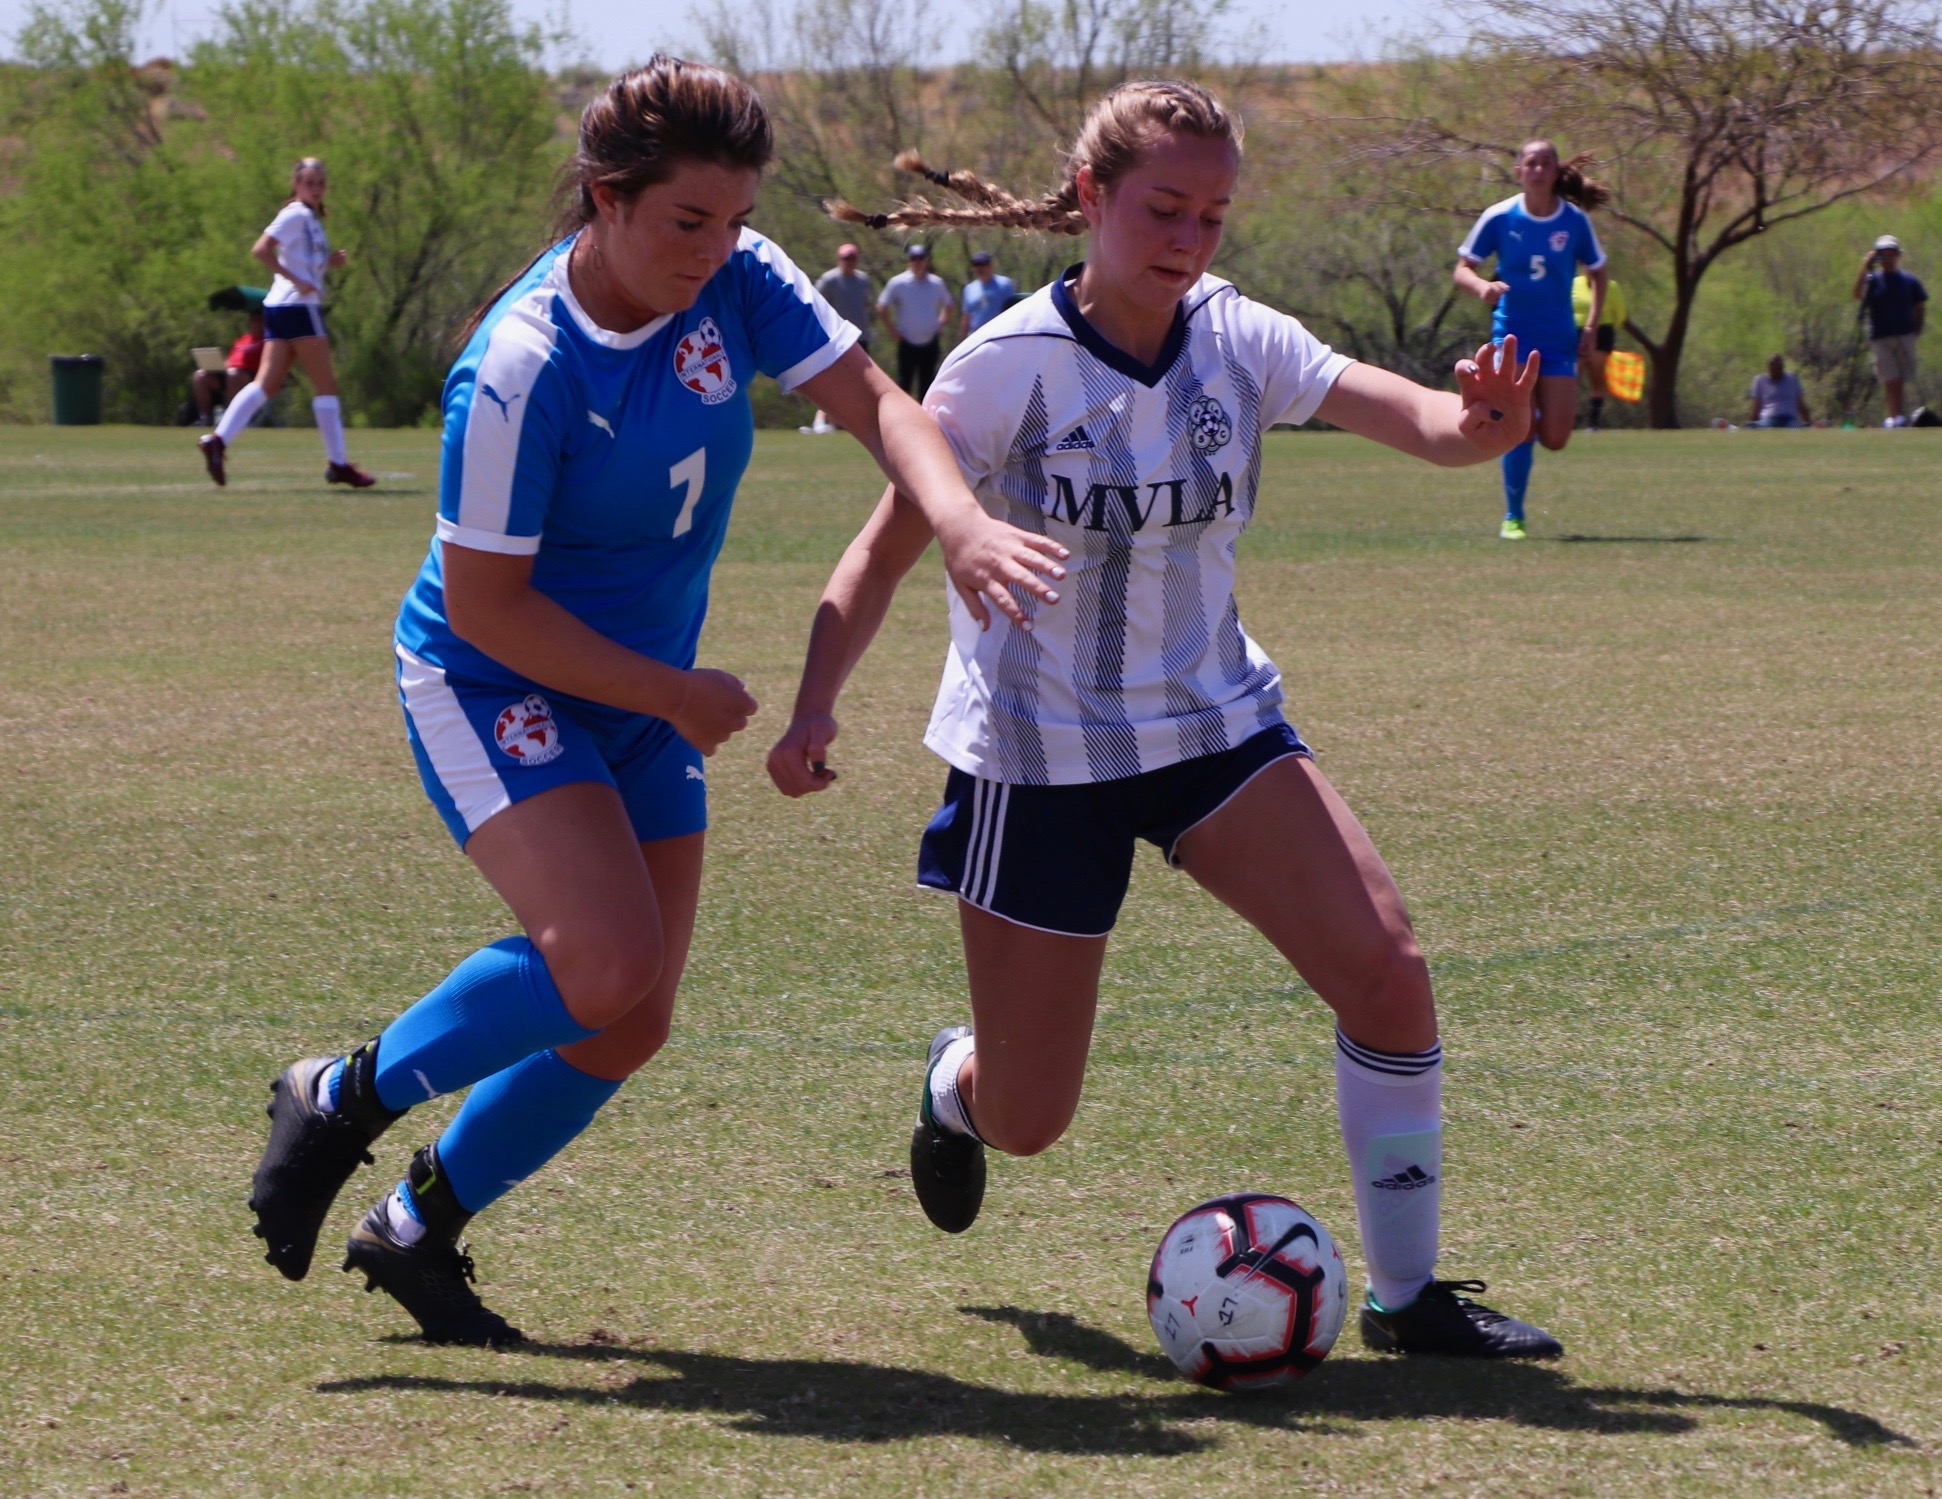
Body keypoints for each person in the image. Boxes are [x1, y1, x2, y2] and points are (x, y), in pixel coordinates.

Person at [246, 57, 1064, 1347]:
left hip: (640, 698)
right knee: (603, 959)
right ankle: (340, 1093)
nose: (717, 248)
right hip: (491, 681)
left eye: (736, 218)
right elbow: (488, 609)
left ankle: (413, 1229)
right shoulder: (519, 364)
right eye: (690, 220)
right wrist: (675, 691)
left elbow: (880, 406)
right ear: (606, 199)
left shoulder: (739, 280)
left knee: (632, 1022)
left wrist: (957, 523)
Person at [775, 81, 1562, 1360]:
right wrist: (815, 702)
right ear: (1090, 199)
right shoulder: (1003, 368)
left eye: (1211, 213)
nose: (1188, 237)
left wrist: (1479, 425)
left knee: (1388, 972)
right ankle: (953, 1082)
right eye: (1161, 208)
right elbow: (878, 551)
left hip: (1212, 728)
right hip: (1040, 758)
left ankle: (1411, 1298)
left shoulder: (1236, 337)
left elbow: (1412, 417)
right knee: (1030, 1116)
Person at [1456, 141, 1609, 538]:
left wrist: (1591, 326)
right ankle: (1514, 516)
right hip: (1512, 337)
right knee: (1519, 432)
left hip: (1558, 341)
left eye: (1546, 163)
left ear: (1556, 171)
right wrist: (1480, 288)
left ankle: (1531, 416)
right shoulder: (1500, 217)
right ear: (1519, 171)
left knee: (1556, 438)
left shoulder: (1574, 222)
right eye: (1531, 163)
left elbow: (1599, 273)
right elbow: (1463, 269)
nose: (1538, 170)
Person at [197, 158, 375, 488]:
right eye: (309, 182)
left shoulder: (309, 218)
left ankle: (217, 441)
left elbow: (301, 262)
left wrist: (325, 264)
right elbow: (261, 250)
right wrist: (297, 279)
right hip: (298, 308)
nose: (317, 188)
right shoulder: (295, 213)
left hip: (280, 307)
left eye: (321, 183)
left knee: (266, 385)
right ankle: (338, 464)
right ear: (296, 185)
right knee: (326, 387)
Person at [1853, 235, 1926, 427]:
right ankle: (1895, 417)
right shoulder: (1873, 280)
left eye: (1891, 253)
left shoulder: (1909, 280)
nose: (1887, 258)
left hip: (1905, 334)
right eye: (1882, 254)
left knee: (1901, 378)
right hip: (1880, 336)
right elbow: (1857, 294)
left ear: (1898, 255)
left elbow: (1919, 306)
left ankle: (1898, 416)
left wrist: (1917, 329)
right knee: (1890, 378)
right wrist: (1865, 267)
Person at [805, 243, 876, 434]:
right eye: (846, 258)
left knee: (859, 383)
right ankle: (822, 420)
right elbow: (814, 303)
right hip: (835, 337)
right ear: (839, 259)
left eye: (853, 258)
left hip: (859, 336)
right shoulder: (829, 280)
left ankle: (845, 422)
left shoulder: (863, 280)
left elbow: (867, 305)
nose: (849, 262)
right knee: (834, 381)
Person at [877, 243, 954, 397]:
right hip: (907, 342)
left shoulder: (936, 283)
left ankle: (925, 419)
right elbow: (882, 306)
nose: (917, 262)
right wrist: (892, 330)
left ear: (927, 261)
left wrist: (940, 324)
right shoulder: (898, 283)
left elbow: (949, 305)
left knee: (927, 384)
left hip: (930, 341)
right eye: (914, 258)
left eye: (921, 258)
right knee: (904, 383)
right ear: (909, 262)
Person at [1571, 269, 1624, 430]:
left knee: (1596, 377)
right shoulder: (1574, 283)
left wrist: (1605, 330)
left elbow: (1620, 314)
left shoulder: (1611, 286)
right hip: (1575, 335)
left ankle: (1593, 422)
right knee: (1571, 379)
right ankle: (1568, 420)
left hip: (1601, 334)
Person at [193, 309, 265, 425]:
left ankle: (231, 418)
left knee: (233, 375)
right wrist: (218, 367)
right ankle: (204, 418)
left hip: (251, 376)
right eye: (253, 320)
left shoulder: (268, 341)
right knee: (200, 376)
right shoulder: (242, 340)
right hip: (230, 374)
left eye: (259, 320)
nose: (255, 323)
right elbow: (230, 360)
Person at [959, 250, 1017, 339]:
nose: (979, 268)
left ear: (990, 266)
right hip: (975, 337)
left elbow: (1012, 311)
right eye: (976, 265)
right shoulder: (969, 289)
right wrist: (962, 339)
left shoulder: (1005, 284)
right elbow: (967, 317)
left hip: (998, 335)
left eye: (982, 264)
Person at [1747, 354, 1810, 428]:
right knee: (1760, 426)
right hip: (1769, 418)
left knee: (1794, 428)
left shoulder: (1792, 379)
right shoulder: (1760, 380)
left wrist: (1808, 422)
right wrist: (1753, 423)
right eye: (1773, 364)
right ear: (1768, 366)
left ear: (1782, 367)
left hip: (1789, 418)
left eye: (1778, 365)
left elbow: (1800, 404)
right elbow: (1756, 406)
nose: (1775, 367)